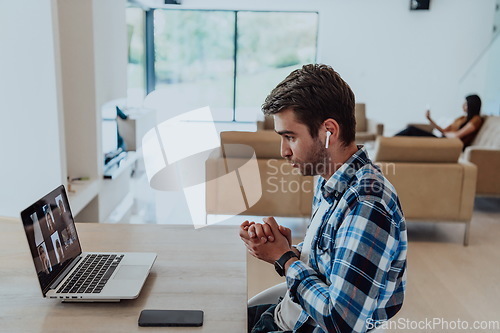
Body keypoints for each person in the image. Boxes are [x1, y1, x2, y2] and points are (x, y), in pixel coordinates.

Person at [239, 64, 407, 333]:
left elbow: (341, 321)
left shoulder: (367, 205)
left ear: (328, 131)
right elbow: (331, 262)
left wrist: (284, 260)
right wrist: (287, 250)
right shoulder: (330, 180)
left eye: (290, 137)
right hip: (288, 313)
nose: (283, 151)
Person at [394, 94, 483, 148]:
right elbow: (444, 131)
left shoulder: (476, 119)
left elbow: (457, 136)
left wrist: (447, 134)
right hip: (443, 139)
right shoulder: (462, 118)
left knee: (411, 130)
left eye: (465, 104)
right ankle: (389, 143)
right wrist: (430, 119)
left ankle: (387, 142)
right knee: (411, 131)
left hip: (447, 144)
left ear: (472, 105)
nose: (463, 106)